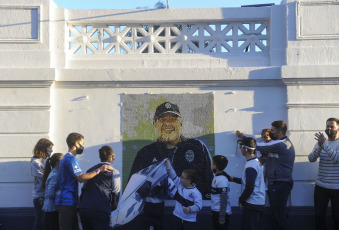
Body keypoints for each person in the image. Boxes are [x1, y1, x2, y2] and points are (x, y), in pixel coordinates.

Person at [129, 102, 213, 230]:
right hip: (155, 211)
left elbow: (209, 179)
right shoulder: (144, 153)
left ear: (181, 124)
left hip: (188, 210)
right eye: (162, 120)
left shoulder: (197, 147)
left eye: (173, 119)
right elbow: (133, 186)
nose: (167, 124)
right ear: (154, 124)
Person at [236, 120, 295, 230]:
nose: (270, 132)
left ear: (280, 132)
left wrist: (243, 138)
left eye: (272, 131)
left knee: (279, 217)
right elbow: (263, 157)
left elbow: (257, 146)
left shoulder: (282, 145)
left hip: (280, 184)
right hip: (276, 184)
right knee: (276, 216)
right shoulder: (276, 144)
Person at [55, 133, 113, 230]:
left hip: (67, 201)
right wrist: (99, 170)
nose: (83, 146)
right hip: (66, 202)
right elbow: (81, 178)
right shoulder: (71, 159)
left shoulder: (64, 158)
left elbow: (67, 181)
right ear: (76, 143)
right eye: (82, 143)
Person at [78, 145, 121, 230]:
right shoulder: (114, 172)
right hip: (100, 210)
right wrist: (112, 210)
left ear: (100, 156)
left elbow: (84, 189)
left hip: (84, 209)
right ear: (113, 156)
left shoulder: (90, 171)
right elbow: (116, 193)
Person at [308, 117, 339, 230]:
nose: (329, 128)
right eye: (327, 126)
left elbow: (337, 158)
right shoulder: (321, 143)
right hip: (321, 186)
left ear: (338, 128)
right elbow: (311, 158)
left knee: (337, 218)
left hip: (337, 188)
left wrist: (324, 145)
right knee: (319, 217)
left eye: (332, 126)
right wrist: (319, 147)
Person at [231, 137, 265, 230]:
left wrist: (241, 200)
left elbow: (250, 186)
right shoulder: (255, 162)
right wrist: (233, 179)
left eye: (241, 147)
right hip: (257, 204)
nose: (240, 149)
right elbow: (247, 181)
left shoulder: (251, 166)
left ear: (245, 149)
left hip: (252, 204)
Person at [165, 159, 202, 230]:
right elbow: (173, 175)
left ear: (189, 181)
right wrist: (168, 166)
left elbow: (198, 206)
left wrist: (190, 209)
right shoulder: (180, 184)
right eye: (180, 176)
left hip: (189, 221)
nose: (180, 178)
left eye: (182, 177)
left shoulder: (196, 193)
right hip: (177, 217)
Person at [31, 138, 54, 230]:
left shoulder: (46, 159)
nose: (51, 151)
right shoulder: (35, 162)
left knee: (47, 221)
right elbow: (43, 179)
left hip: (47, 195)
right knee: (40, 221)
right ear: (43, 148)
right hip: (40, 196)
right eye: (49, 149)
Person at [42, 153, 64, 230]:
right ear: (58, 162)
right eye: (63, 161)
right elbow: (51, 193)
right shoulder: (55, 175)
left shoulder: (54, 173)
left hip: (50, 208)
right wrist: (63, 193)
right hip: (52, 209)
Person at [210, 155, 231, 230]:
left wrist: (222, 217)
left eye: (212, 163)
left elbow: (223, 199)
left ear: (215, 166)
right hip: (216, 211)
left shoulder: (222, 180)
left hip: (221, 213)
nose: (211, 165)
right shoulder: (216, 177)